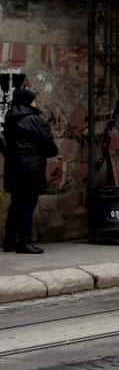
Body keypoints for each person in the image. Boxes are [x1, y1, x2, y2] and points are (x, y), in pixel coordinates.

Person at [1, 88, 58, 254]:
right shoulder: (34, 120)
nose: (35, 102)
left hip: (13, 167)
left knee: (16, 203)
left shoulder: (10, 118)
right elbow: (51, 147)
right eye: (33, 99)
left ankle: (9, 241)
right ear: (28, 102)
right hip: (30, 169)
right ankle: (24, 242)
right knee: (28, 203)